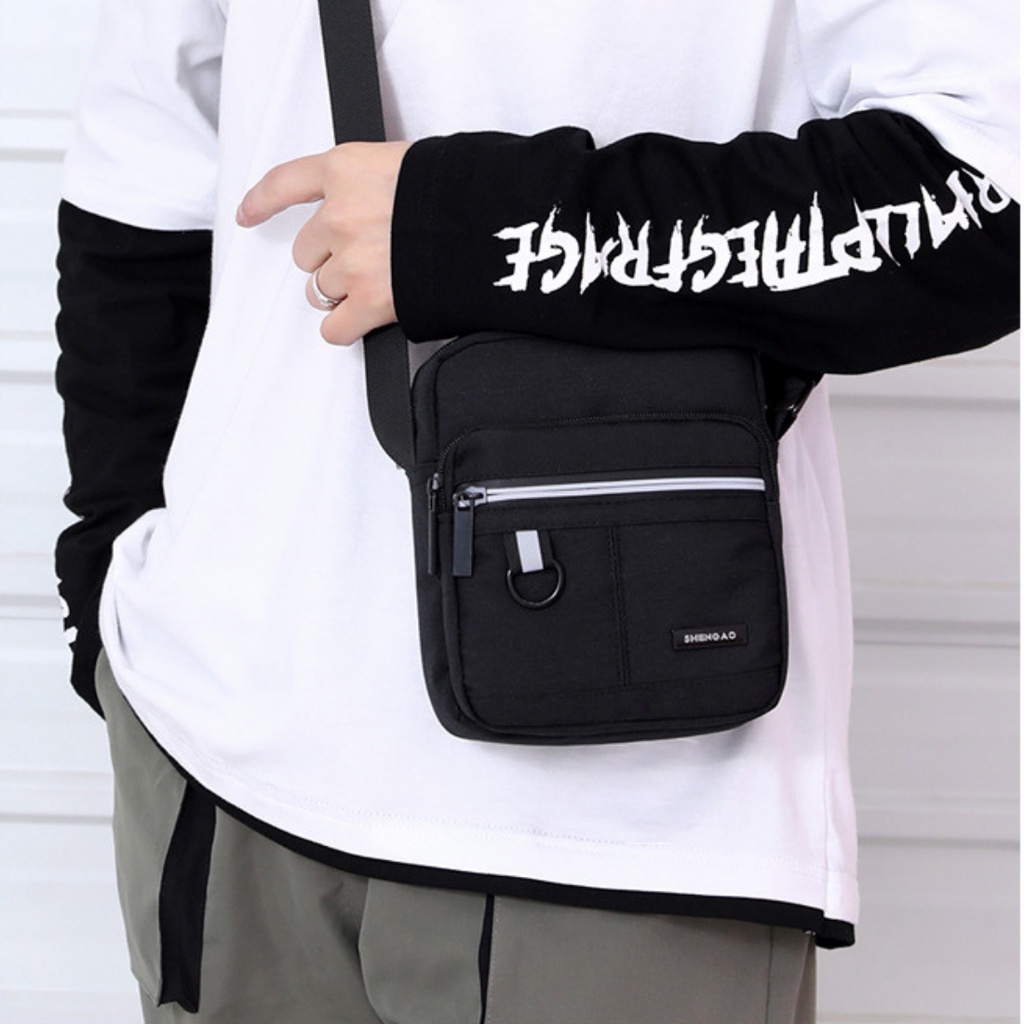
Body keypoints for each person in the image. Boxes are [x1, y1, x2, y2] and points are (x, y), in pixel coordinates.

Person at [55, 0, 1018, 1021]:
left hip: (627, 823)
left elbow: (989, 193)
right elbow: (141, 178)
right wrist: (107, 584)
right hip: (216, 751)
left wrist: (477, 229)